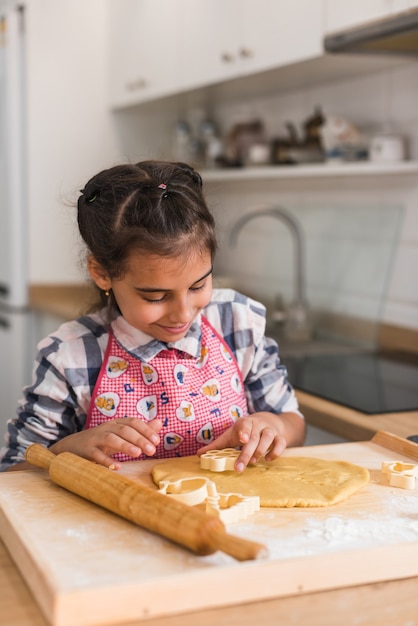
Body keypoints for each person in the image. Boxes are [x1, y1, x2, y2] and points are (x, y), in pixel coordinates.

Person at [0, 160, 305, 473]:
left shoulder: (236, 323)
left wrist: (268, 426)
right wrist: (69, 449)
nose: (183, 313)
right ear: (102, 274)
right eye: (156, 296)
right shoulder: (72, 356)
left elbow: (293, 423)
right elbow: (14, 470)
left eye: (199, 285)